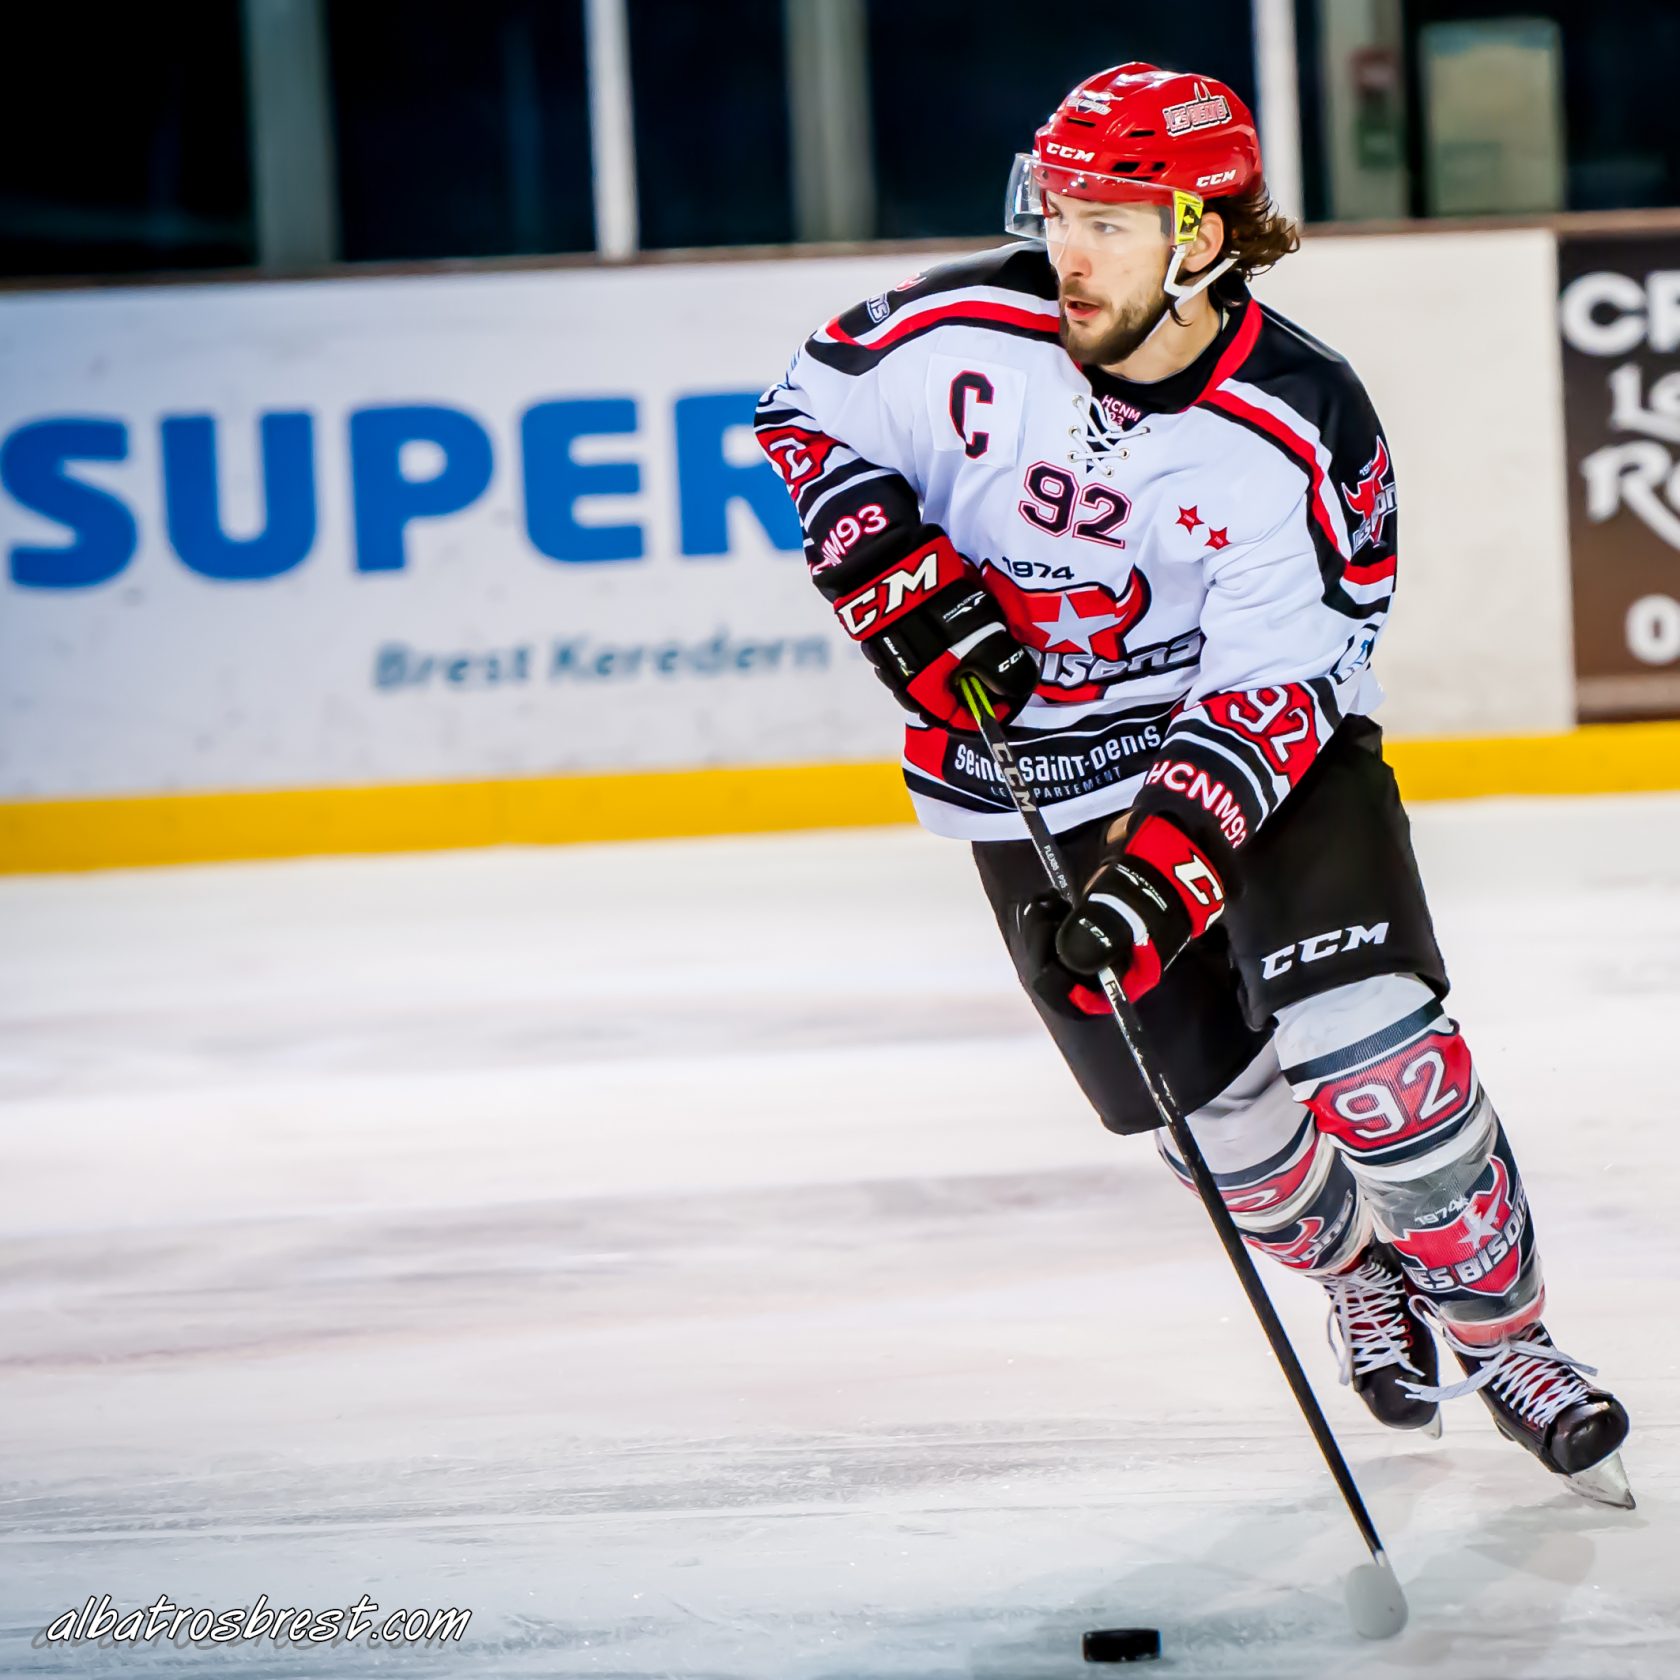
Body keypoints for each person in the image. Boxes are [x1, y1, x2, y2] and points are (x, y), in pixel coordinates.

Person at [757, 62, 1632, 1507]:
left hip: (1256, 760)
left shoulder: (1302, 421)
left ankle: (1512, 1344)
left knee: (1372, 1056)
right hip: (1028, 775)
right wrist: (887, 566)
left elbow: (1273, 689)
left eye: (1107, 222)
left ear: (1203, 238)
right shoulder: (950, 333)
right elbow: (807, 412)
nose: (1067, 251)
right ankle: (1359, 1278)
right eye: (1057, 212)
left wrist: (1158, 877)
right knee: (1224, 1135)